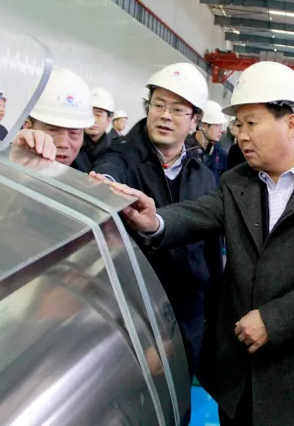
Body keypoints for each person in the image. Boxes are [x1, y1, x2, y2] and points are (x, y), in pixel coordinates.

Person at [104, 61, 294, 426]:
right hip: (238, 375)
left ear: (290, 124)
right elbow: (201, 212)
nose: (241, 135)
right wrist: (157, 221)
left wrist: (274, 320)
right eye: (238, 125)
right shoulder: (238, 181)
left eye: (251, 124)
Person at [90, 63, 222, 386]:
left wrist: (212, 315)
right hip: (134, 313)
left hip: (188, 314)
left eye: (177, 109)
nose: (165, 115)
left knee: (181, 399)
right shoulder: (123, 155)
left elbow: (210, 251)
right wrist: (104, 184)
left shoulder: (203, 176)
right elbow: (110, 169)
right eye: (158, 105)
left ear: (195, 121)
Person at [23, 68, 96, 171]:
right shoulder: (7, 164)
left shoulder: (85, 173)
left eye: (74, 133)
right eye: (52, 130)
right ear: (28, 128)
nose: (63, 144)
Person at [185, 99, 228, 183]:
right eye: (217, 125)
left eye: (221, 125)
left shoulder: (221, 154)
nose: (221, 130)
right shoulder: (184, 149)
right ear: (204, 126)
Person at [83, 86, 116, 164]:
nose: (93, 120)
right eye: (89, 114)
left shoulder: (114, 149)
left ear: (109, 119)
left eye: (98, 115)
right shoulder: (71, 145)